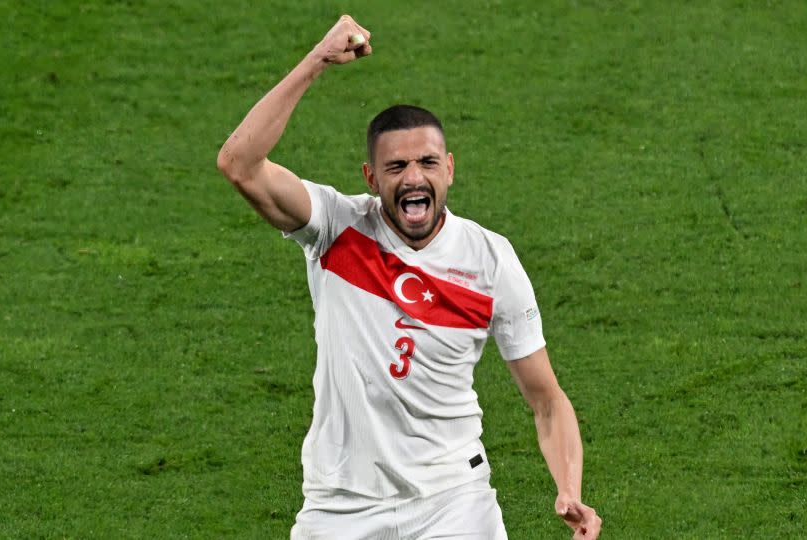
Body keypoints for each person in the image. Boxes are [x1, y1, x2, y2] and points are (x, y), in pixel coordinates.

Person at [216, 15, 601, 540]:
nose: (413, 177)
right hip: (340, 506)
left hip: (454, 501)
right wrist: (316, 62)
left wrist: (569, 489)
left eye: (426, 162)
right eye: (396, 167)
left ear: (449, 169)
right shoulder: (334, 227)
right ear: (371, 179)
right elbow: (239, 162)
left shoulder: (490, 259)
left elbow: (547, 400)